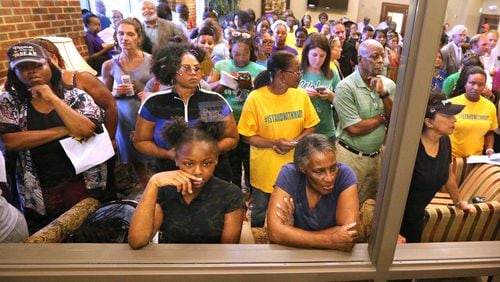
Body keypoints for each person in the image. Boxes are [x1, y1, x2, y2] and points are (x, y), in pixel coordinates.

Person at [1, 42, 107, 233]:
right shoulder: (9, 101)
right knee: (48, 234)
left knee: (87, 230)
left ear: (50, 64)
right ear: (14, 72)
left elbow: (86, 128)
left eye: (37, 65)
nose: (32, 72)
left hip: (80, 178)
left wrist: (53, 98)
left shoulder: (75, 96)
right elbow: (9, 141)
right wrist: (64, 130)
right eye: (23, 68)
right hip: (35, 184)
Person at [128, 117, 245, 248]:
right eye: (189, 163)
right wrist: (153, 183)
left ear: (216, 160)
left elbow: (228, 249)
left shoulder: (230, 194)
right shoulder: (164, 190)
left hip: (212, 264)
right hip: (172, 263)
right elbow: (137, 241)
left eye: (207, 163)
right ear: (176, 160)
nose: (198, 171)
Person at [238, 51, 320, 227]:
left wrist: (294, 143)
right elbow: (246, 136)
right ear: (281, 75)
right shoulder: (256, 98)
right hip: (265, 169)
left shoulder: (301, 95)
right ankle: (257, 247)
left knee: (294, 209)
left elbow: (311, 125)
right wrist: (274, 143)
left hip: (295, 167)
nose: (300, 75)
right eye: (296, 71)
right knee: (260, 210)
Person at [134, 43, 239, 181]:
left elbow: (232, 138)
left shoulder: (212, 101)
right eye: (186, 68)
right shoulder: (156, 103)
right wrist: (167, 154)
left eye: (197, 68)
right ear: (172, 71)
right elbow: (141, 141)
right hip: (169, 174)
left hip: (212, 176)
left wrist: (206, 153)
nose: (194, 72)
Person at [399, 93, 474, 243]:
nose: (454, 120)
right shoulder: (410, 147)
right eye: (447, 116)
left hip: (416, 217)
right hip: (396, 221)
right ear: (429, 122)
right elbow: (390, 190)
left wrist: (459, 202)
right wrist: (391, 231)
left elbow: (448, 174)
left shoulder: (444, 140)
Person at [267, 134, 359, 251]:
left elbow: (349, 234)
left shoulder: (345, 175)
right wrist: (330, 240)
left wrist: (291, 233)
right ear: (302, 168)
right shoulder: (289, 174)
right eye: (319, 171)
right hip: (296, 256)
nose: (329, 178)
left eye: (333, 168)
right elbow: (275, 233)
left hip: (333, 257)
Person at [333, 39, 395, 205]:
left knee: (371, 206)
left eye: (383, 55)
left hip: (376, 157)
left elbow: (394, 116)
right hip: (351, 157)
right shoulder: (345, 87)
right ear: (360, 60)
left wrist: (383, 94)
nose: (381, 60)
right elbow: (354, 128)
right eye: (375, 56)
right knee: (346, 203)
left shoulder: (388, 85)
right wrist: (383, 118)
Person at [208, 30, 266, 188]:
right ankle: (234, 189)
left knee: (249, 159)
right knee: (231, 160)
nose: (240, 58)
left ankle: (250, 188)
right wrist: (224, 82)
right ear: (230, 52)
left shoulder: (259, 70)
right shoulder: (221, 65)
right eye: (236, 54)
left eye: (244, 54)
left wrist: (251, 85)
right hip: (226, 121)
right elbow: (208, 89)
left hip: (250, 122)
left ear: (251, 52)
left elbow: (265, 97)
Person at [102, 17, 153, 189]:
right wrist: (115, 93)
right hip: (124, 116)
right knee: (134, 156)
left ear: (139, 38)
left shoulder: (151, 61)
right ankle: (146, 187)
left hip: (147, 112)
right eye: (121, 33)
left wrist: (149, 93)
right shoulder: (109, 65)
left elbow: (163, 89)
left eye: (130, 34)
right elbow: (103, 97)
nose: (125, 38)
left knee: (153, 152)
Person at [449, 66, 498, 158]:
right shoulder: (451, 104)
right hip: (451, 158)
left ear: (484, 86)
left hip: (476, 160)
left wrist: (489, 149)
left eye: (480, 84)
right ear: (465, 84)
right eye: (472, 83)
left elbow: (490, 132)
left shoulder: (490, 106)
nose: (476, 88)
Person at [299, 33, 340, 140]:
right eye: (314, 55)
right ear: (307, 53)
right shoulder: (297, 71)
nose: (318, 60)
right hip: (300, 129)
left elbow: (343, 102)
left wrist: (331, 96)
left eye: (322, 56)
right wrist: (302, 94)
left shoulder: (333, 74)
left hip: (325, 129)